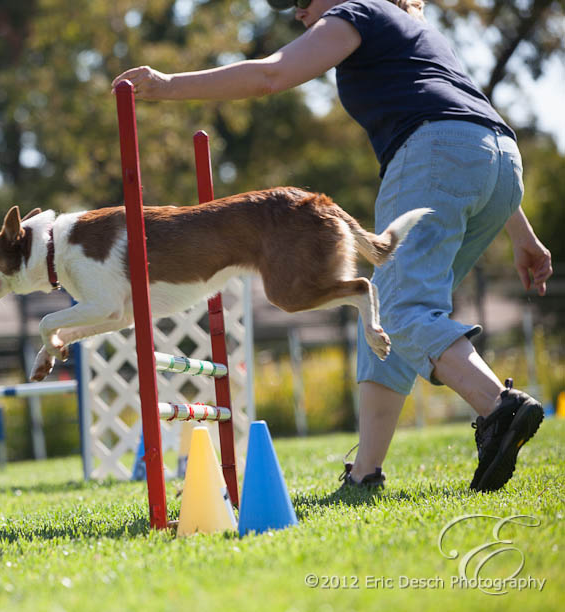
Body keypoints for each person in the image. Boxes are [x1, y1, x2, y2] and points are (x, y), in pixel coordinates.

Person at [112, 0, 553, 492]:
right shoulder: (414, 27)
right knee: (383, 318)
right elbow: (467, 124)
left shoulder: (357, 11)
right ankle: (365, 475)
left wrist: (167, 84)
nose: (297, 12)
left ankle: (499, 408)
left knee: (403, 309)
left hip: (435, 155)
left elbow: (271, 76)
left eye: (300, 0)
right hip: (498, 165)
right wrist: (522, 233)